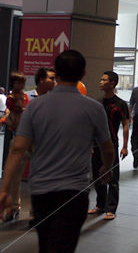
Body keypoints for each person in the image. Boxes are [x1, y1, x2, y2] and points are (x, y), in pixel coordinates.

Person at [0, 50, 114, 252]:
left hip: (41, 191)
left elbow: (17, 149)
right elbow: (107, 146)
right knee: (64, 246)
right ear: (83, 74)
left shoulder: (34, 107)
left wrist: (4, 189)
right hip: (75, 192)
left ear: (57, 74)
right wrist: (106, 167)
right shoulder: (94, 108)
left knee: (46, 244)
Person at [88, 71, 129, 220]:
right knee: (98, 176)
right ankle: (100, 204)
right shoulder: (97, 103)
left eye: (104, 80)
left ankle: (111, 208)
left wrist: (125, 146)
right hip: (96, 145)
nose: (100, 82)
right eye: (101, 79)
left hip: (111, 145)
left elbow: (125, 125)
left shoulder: (120, 104)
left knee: (112, 177)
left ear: (112, 83)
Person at [4, 70, 30, 221]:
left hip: (28, 136)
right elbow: (17, 110)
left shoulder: (24, 96)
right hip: (17, 134)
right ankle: (14, 205)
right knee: (15, 175)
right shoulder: (11, 98)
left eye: (22, 82)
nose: (21, 85)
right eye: (18, 82)